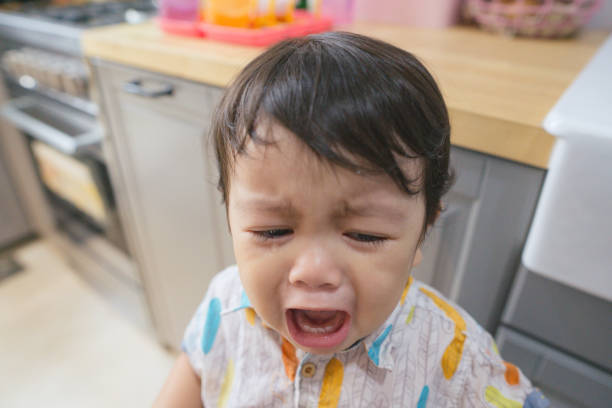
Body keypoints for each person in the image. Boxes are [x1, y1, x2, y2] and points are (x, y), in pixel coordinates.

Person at [154, 31, 549, 408]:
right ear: (230, 219)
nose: (313, 272)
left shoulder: (455, 355)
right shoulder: (225, 304)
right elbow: (195, 367)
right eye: (271, 230)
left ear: (422, 231)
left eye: (364, 234)